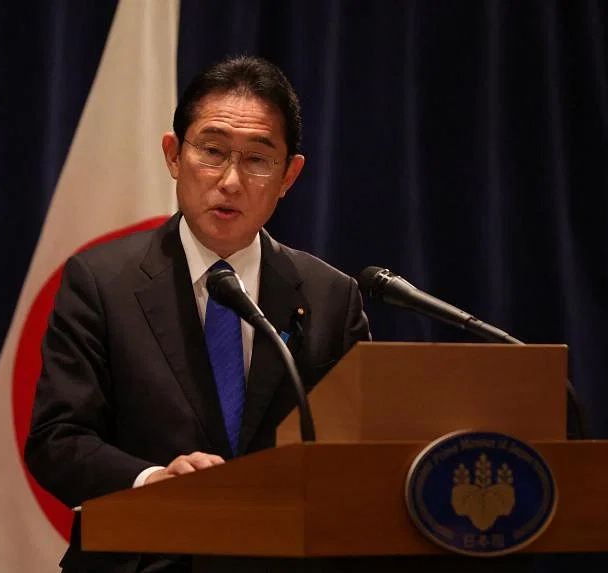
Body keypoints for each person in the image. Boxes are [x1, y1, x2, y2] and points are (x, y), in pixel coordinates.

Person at [24, 55, 371, 573]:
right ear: (173, 154)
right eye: (212, 151)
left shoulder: (331, 298)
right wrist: (154, 481)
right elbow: (57, 440)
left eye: (257, 159)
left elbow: (355, 459)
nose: (230, 180)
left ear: (289, 176)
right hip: (142, 558)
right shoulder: (100, 282)